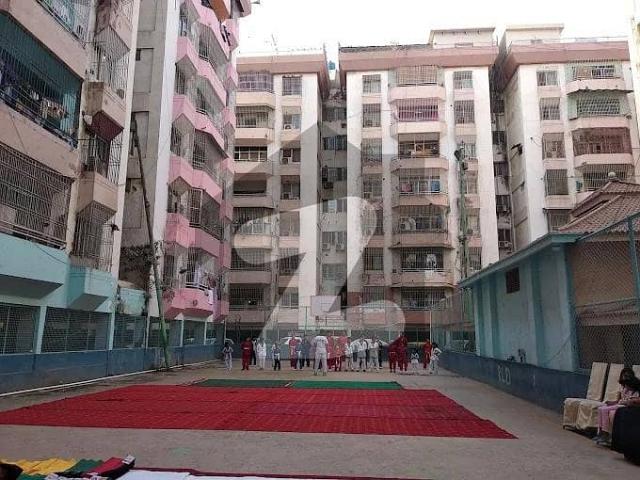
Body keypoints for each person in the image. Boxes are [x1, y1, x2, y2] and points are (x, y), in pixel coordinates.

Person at [594, 367, 640, 446]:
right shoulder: (624, 387)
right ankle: (600, 432)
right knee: (600, 408)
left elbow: (633, 400)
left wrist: (628, 401)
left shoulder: (634, 388)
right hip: (619, 404)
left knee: (604, 410)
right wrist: (611, 403)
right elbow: (618, 400)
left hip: (623, 406)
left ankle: (606, 434)